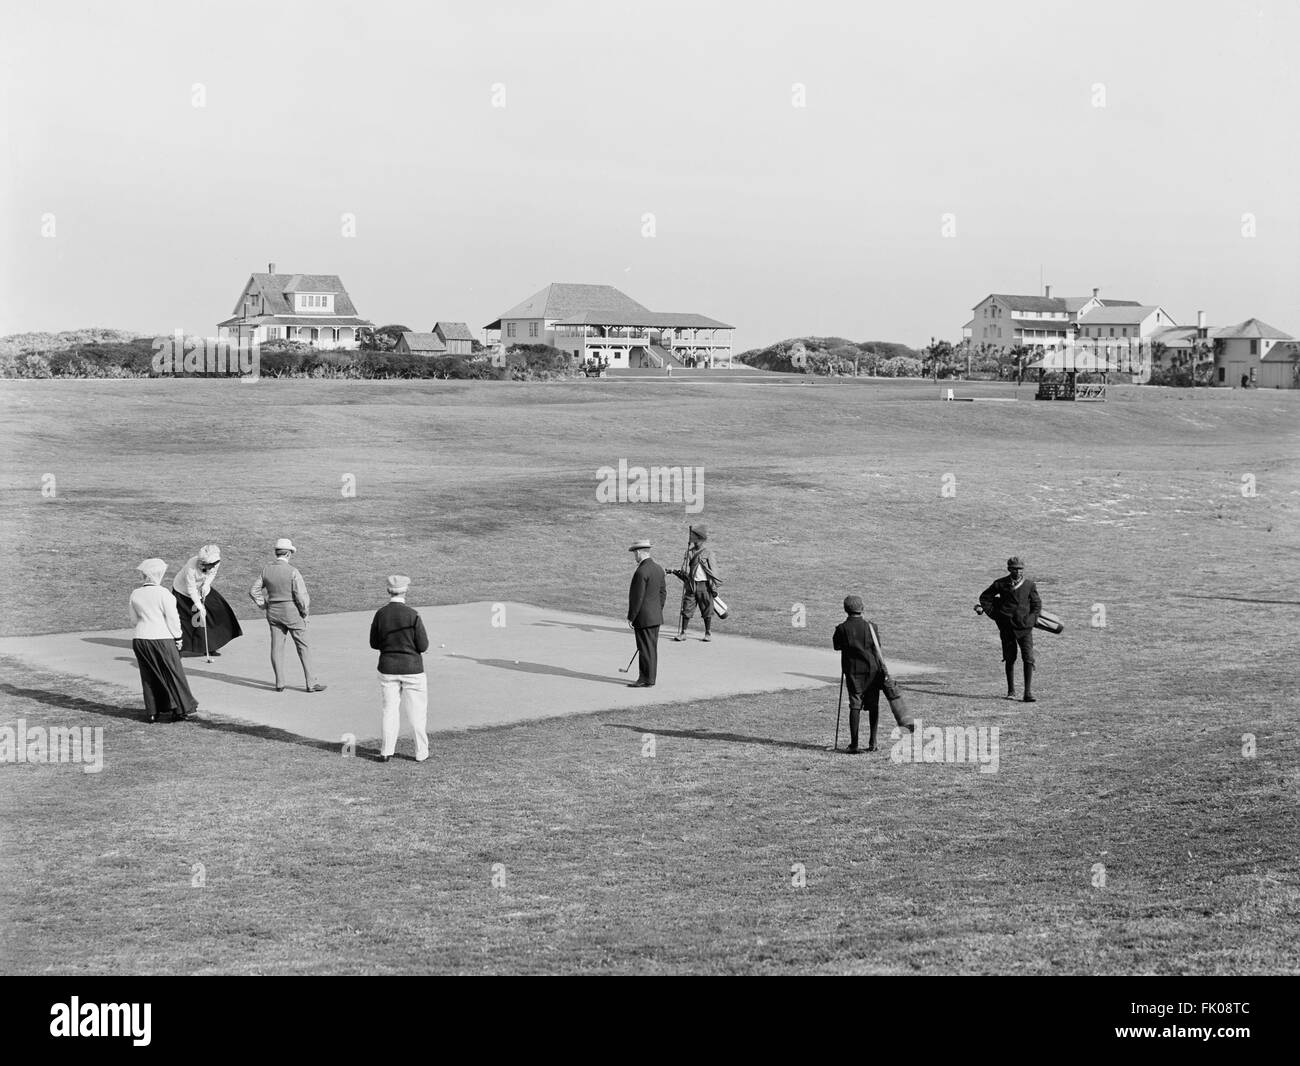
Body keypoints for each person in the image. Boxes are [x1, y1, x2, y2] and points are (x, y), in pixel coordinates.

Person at [248, 538, 326, 693]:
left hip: (274, 613)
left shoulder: (266, 570)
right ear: (289, 553)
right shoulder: (293, 571)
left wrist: (264, 604)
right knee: (303, 647)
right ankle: (311, 683)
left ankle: (279, 682)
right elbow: (301, 597)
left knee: (277, 647)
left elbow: (253, 590)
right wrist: (304, 613)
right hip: (292, 613)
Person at [369, 575, 430, 764]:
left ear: (389, 591)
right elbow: (423, 645)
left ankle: (386, 751)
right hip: (412, 669)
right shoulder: (413, 614)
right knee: (417, 713)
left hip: (388, 668)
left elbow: (374, 643)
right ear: (405, 590)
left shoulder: (381, 614)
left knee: (389, 710)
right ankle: (421, 752)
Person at [130, 558, 199, 722]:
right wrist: (179, 638)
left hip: (140, 638)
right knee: (174, 674)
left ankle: (153, 712)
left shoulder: (135, 593)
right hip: (162, 638)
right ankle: (181, 709)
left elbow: (133, 620)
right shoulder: (164, 594)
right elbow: (173, 619)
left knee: (148, 675)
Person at [978, 555, 1042, 702]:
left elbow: (1036, 605)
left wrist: (1031, 620)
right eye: (1015, 569)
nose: (1018, 571)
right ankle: (1011, 691)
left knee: (1028, 658)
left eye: (1020, 569)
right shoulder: (1000, 584)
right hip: (1007, 627)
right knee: (1010, 658)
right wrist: (996, 615)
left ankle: (1028, 693)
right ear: (1009, 569)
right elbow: (985, 598)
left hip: (1025, 628)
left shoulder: (1029, 585)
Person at [832, 595, 885, 753]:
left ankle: (854, 744)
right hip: (873, 671)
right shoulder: (871, 627)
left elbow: (837, 646)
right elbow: (878, 647)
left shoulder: (841, 628)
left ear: (846, 609)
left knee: (855, 705)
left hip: (853, 672)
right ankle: (873, 742)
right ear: (862, 608)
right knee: (874, 705)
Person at [172, 544, 243, 657]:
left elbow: (212, 574)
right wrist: (199, 606)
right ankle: (178, 649)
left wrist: (206, 585)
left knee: (216, 613)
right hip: (183, 592)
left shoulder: (216, 562)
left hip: (202, 589)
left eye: (209, 565)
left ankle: (210, 646)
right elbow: (191, 588)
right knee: (185, 620)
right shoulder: (191, 567)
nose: (205, 566)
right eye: (204, 564)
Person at [668, 524, 722, 641]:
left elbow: (714, 571)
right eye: (694, 539)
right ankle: (683, 633)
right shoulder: (689, 552)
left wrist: (714, 588)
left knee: (707, 609)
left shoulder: (708, 553)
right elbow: (685, 569)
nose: (695, 542)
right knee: (687, 608)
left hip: (705, 585)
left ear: (702, 540)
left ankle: (708, 633)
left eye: (697, 539)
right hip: (691, 585)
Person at [626, 539, 666, 688]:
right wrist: (657, 609)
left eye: (634, 553)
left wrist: (631, 616)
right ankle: (649, 677)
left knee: (644, 648)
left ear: (638, 552)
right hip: (655, 616)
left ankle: (645, 678)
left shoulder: (641, 571)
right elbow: (663, 593)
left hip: (643, 617)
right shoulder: (658, 568)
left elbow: (637, 597)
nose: (634, 557)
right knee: (651, 648)